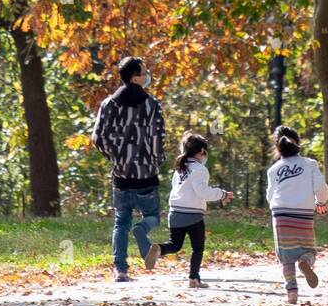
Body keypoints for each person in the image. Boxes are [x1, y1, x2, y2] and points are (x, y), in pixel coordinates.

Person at [92, 55, 166, 282]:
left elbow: (98, 137)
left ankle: (120, 269)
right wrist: (155, 161)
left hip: (121, 176)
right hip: (146, 176)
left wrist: (115, 157)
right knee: (152, 215)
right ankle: (142, 229)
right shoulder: (151, 105)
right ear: (135, 78)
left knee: (120, 222)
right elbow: (157, 138)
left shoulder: (108, 104)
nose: (147, 76)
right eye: (144, 73)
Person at [144, 131, 232, 289]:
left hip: (175, 213)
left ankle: (159, 249)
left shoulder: (180, 168)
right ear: (202, 152)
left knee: (175, 244)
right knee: (197, 248)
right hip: (193, 215)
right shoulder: (200, 169)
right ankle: (193, 279)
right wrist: (222, 193)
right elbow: (203, 192)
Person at [265, 124, 328, 305]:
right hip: (303, 213)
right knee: (308, 250)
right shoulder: (310, 164)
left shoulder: (273, 170)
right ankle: (305, 262)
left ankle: (291, 294)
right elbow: (320, 187)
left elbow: (270, 195)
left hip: (280, 214)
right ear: (297, 144)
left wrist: (276, 211)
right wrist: (321, 202)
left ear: (278, 147)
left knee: (285, 257)